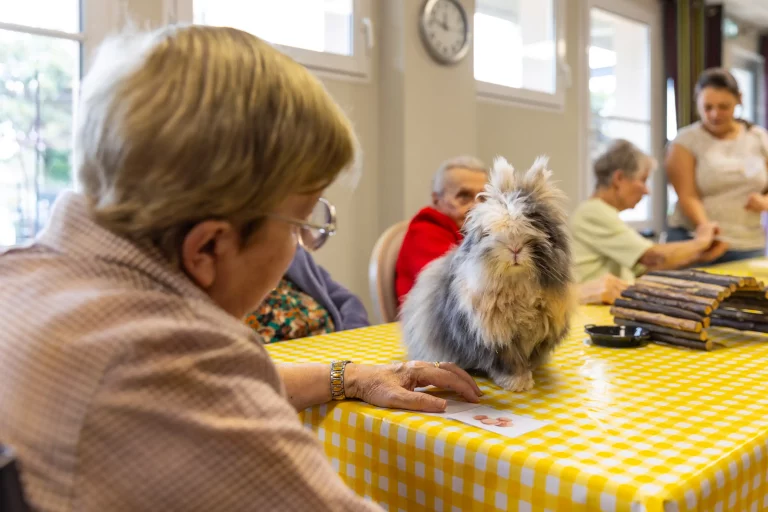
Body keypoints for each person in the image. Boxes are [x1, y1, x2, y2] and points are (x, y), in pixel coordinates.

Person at [0, 25, 483, 512]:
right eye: (300, 222)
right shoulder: (164, 360)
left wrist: (350, 376)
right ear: (208, 248)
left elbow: (230, 380)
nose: (304, 245)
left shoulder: (20, 279)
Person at [571, 139, 727, 284]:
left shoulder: (601, 213)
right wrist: (701, 241)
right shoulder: (594, 212)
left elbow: (646, 267)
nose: (647, 191)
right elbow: (652, 256)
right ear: (619, 178)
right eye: (643, 180)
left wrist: (698, 255)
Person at [666, 67, 768, 263]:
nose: (714, 114)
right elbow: (687, 195)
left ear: (739, 99)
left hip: (748, 243)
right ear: (697, 102)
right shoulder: (685, 141)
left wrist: (764, 203)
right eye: (708, 107)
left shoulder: (759, 138)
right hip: (696, 242)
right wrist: (707, 230)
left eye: (723, 107)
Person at [395, 156, 488, 304]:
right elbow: (457, 287)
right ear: (436, 200)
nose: (477, 207)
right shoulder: (424, 232)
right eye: (464, 196)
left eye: (483, 198)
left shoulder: (480, 232)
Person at [245, 245, 369, 342]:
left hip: (339, 354)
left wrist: (352, 339)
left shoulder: (297, 256)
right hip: (299, 370)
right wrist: (342, 371)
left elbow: (348, 300)